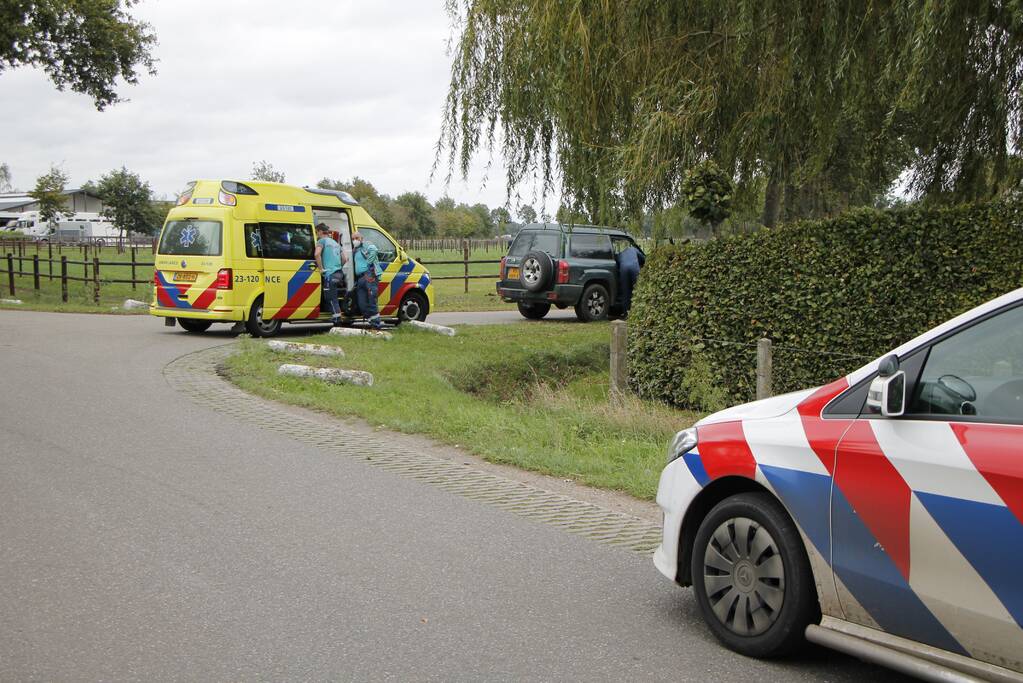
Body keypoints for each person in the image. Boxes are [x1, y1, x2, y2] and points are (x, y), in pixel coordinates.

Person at [351, 230, 384, 330]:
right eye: (353, 239)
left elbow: (374, 251)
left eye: (357, 238)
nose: (355, 240)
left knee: (371, 302)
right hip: (360, 278)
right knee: (361, 304)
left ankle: (376, 326)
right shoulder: (355, 250)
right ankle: (372, 321)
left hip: (369, 276)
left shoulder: (367, 245)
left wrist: (368, 265)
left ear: (361, 238)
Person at [315, 223, 344, 325]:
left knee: (330, 298)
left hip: (329, 274)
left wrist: (321, 269)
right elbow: (344, 259)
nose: (316, 234)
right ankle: (337, 317)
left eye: (316, 232)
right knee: (334, 297)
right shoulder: (336, 243)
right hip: (339, 274)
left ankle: (337, 321)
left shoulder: (321, 241)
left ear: (320, 231)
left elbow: (317, 254)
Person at [616, 241, 646, 318]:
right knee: (637, 290)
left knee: (625, 292)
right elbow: (643, 258)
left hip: (624, 269)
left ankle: (626, 313)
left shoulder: (620, 254)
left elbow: (618, 263)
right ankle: (638, 312)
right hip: (634, 269)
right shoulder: (634, 249)